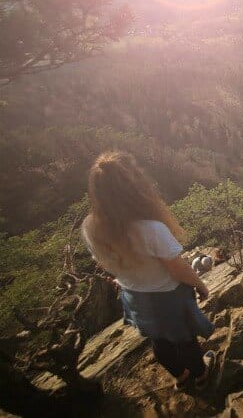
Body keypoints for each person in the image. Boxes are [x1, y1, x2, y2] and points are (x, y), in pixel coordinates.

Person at [81, 151, 215, 391]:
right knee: (185, 339)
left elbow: (103, 262)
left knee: (159, 340)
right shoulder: (150, 229)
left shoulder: (90, 227)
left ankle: (180, 377)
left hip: (134, 295)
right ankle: (201, 375)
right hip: (169, 296)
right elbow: (178, 269)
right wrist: (201, 285)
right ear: (134, 187)